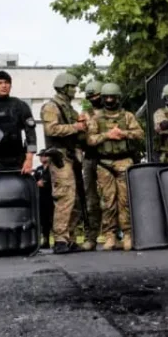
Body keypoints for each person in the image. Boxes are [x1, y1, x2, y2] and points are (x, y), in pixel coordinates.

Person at [87, 83, 144, 251]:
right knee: (108, 201)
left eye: (113, 97)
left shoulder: (127, 117)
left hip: (124, 161)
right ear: (103, 98)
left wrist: (124, 134)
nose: (110, 100)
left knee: (124, 201)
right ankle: (110, 235)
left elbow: (139, 134)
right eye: (107, 98)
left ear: (118, 98)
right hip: (104, 164)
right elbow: (90, 140)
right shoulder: (96, 118)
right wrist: (107, 135)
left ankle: (127, 234)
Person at [41, 72, 88, 255]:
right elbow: (51, 129)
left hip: (72, 156)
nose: (75, 90)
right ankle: (60, 239)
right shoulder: (51, 107)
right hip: (59, 157)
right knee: (64, 196)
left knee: (75, 199)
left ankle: (70, 238)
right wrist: (75, 127)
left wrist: (84, 126)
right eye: (72, 87)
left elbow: (79, 135)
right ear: (64, 87)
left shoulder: (70, 109)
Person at [0, 70, 37, 173]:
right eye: (0, 83)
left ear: (11, 85)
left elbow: (30, 134)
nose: (4, 86)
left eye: (7, 82)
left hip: (18, 162)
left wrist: (29, 159)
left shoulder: (20, 105)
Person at [80, 79, 103, 251]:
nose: (95, 98)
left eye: (98, 95)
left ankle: (115, 234)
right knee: (90, 200)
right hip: (89, 158)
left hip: (108, 158)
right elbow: (80, 138)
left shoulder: (115, 112)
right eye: (92, 96)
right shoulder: (85, 113)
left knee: (114, 199)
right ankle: (91, 237)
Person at [34, 150, 54, 249]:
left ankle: (59, 240)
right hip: (41, 198)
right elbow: (34, 181)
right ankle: (45, 240)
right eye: (40, 156)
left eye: (44, 156)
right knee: (43, 220)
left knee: (53, 219)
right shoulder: (38, 169)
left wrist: (44, 183)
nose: (42, 158)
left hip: (52, 197)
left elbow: (50, 181)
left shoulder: (53, 168)